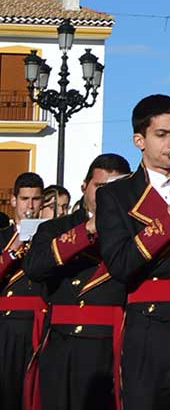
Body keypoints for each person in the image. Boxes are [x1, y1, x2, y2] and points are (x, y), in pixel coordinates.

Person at [96, 95, 170, 410]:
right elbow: (120, 264)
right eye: (162, 134)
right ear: (138, 140)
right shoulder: (115, 196)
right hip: (148, 325)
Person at [24, 153, 132, 410]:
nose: (105, 194)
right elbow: (34, 268)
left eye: (113, 188)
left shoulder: (133, 229)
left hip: (111, 342)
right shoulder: (55, 229)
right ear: (84, 186)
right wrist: (87, 231)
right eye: (99, 187)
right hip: (63, 343)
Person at [0, 172, 45, 410]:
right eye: (25, 199)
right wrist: (12, 250)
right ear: (15, 200)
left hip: (38, 323)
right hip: (6, 326)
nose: (30, 205)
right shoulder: (3, 238)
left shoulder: (49, 237)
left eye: (36, 199)